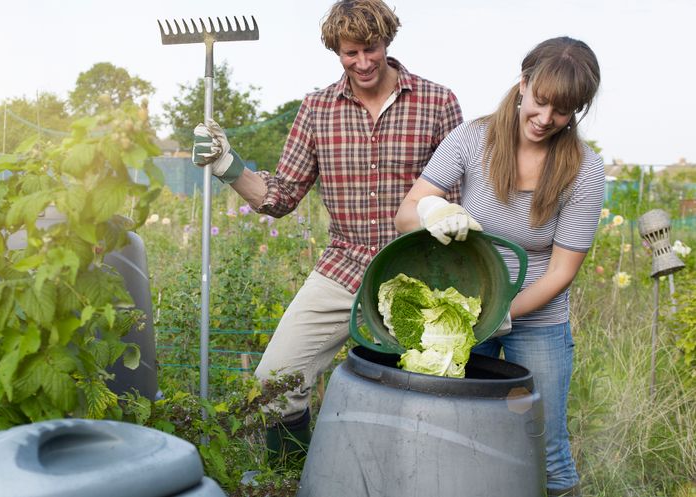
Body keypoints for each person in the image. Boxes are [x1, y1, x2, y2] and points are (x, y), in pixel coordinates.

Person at [193, 0, 463, 465]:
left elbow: (456, 198)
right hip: (346, 265)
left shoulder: (437, 102)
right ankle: (292, 478)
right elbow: (278, 197)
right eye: (349, 53)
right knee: (274, 383)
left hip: (420, 268)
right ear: (336, 51)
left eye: (371, 49)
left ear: (387, 40)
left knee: (427, 398)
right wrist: (228, 165)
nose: (362, 63)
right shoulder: (318, 109)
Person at [394, 37, 603, 497]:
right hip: (464, 312)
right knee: (458, 432)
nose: (546, 120)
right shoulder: (473, 138)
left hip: (537, 320)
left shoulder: (584, 170)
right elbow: (406, 213)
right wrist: (431, 212)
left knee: (542, 440)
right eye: (541, 102)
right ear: (523, 83)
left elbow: (561, 271)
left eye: (563, 111)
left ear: (578, 111)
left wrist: (500, 315)